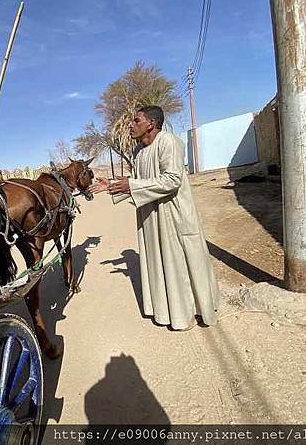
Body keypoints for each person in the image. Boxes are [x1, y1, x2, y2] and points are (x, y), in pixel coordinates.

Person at [90, 105, 220, 330]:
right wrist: (111, 186)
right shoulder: (138, 151)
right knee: (161, 264)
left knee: (181, 263)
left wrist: (131, 185)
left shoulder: (168, 142)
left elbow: (171, 180)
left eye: (136, 120)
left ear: (151, 123)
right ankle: (171, 312)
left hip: (174, 215)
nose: (131, 125)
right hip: (151, 218)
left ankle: (192, 311)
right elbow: (139, 180)